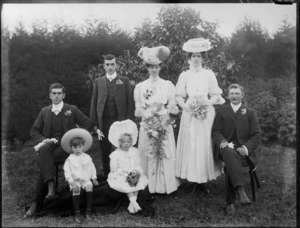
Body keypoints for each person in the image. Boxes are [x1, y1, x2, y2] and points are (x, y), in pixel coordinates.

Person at [24, 83, 98, 218]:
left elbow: (88, 123)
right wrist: (43, 139)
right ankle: (51, 187)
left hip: (66, 147)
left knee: (45, 160)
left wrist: (76, 136)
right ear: (50, 95)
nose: (56, 96)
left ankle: (38, 202)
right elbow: (34, 130)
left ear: (63, 95)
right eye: (54, 93)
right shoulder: (44, 111)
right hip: (50, 144)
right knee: (45, 149)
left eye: (59, 93)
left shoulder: (71, 109)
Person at [175, 38, 225, 194]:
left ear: (203, 58)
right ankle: (190, 178)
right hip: (189, 114)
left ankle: (203, 179)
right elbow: (178, 95)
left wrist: (207, 104)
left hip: (205, 114)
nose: (196, 59)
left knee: (204, 144)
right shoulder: (184, 75)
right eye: (193, 56)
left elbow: (216, 94)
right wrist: (186, 106)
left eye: (199, 56)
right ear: (189, 58)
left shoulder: (208, 75)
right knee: (191, 144)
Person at [134, 46, 180, 194]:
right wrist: (148, 116)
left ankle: (165, 185)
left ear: (160, 67)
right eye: (151, 67)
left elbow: (172, 102)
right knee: (149, 149)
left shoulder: (167, 84)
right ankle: (149, 183)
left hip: (163, 119)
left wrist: (164, 112)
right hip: (148, 121)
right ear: (147, 69)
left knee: (164, 149)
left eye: (156, 67)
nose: (154, 70)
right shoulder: (141, 87)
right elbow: (139, 107)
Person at [211, 83, 262, 215]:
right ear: (227, 96)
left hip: (243, 151)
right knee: (229, 153)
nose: (234, 96)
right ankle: (240, 190)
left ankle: (230, 203)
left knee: (230, 164)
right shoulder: (222, 111)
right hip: (225, 147)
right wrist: (222, 141)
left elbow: (257, 134)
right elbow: (216, 131)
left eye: (237, 93)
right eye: (232, 94)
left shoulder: (250, 112)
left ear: (242, 95)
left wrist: (246, 147)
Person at [90, 54, 135, 176]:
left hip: (119, 121)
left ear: (117, 65)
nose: (110, 67)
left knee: (121, 149)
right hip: (103, 122)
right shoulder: (98, 82)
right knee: (105, 151)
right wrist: (94, 125)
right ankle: (107, 177)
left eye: (112, 64)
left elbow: (130, 102)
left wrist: (129, 123)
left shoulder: (124, 81)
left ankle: (122, 176)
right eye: (107, 65)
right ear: (104, 66)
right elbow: (94, 103)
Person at [107, 119, 148, 214]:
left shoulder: (134, 151)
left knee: (137, 181)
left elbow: (136, 163)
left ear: (131, 142)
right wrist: (123, 172)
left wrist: (135, 171)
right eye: (124, 142)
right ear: (120, 143)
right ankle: (134, 203)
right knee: (126, 183)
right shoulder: (115, 154)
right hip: (120, 173)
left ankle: (131, 204)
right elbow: (113, 168)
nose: (126, 144)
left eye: (128, 142)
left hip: (133, 171)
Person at [62, 128, 99, 223]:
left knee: (89, 187)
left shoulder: (87, 157)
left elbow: (92, 168)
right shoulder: (70, 159)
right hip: (75, 180)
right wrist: (72, 183)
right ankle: (77, 212)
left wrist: (94, 177)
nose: (77, 149)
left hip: (86, 179)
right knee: (76, 190)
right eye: (75, 147)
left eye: (79, 147)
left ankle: (88, 211)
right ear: (71, 148)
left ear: (83, 146)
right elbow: (67, 172)